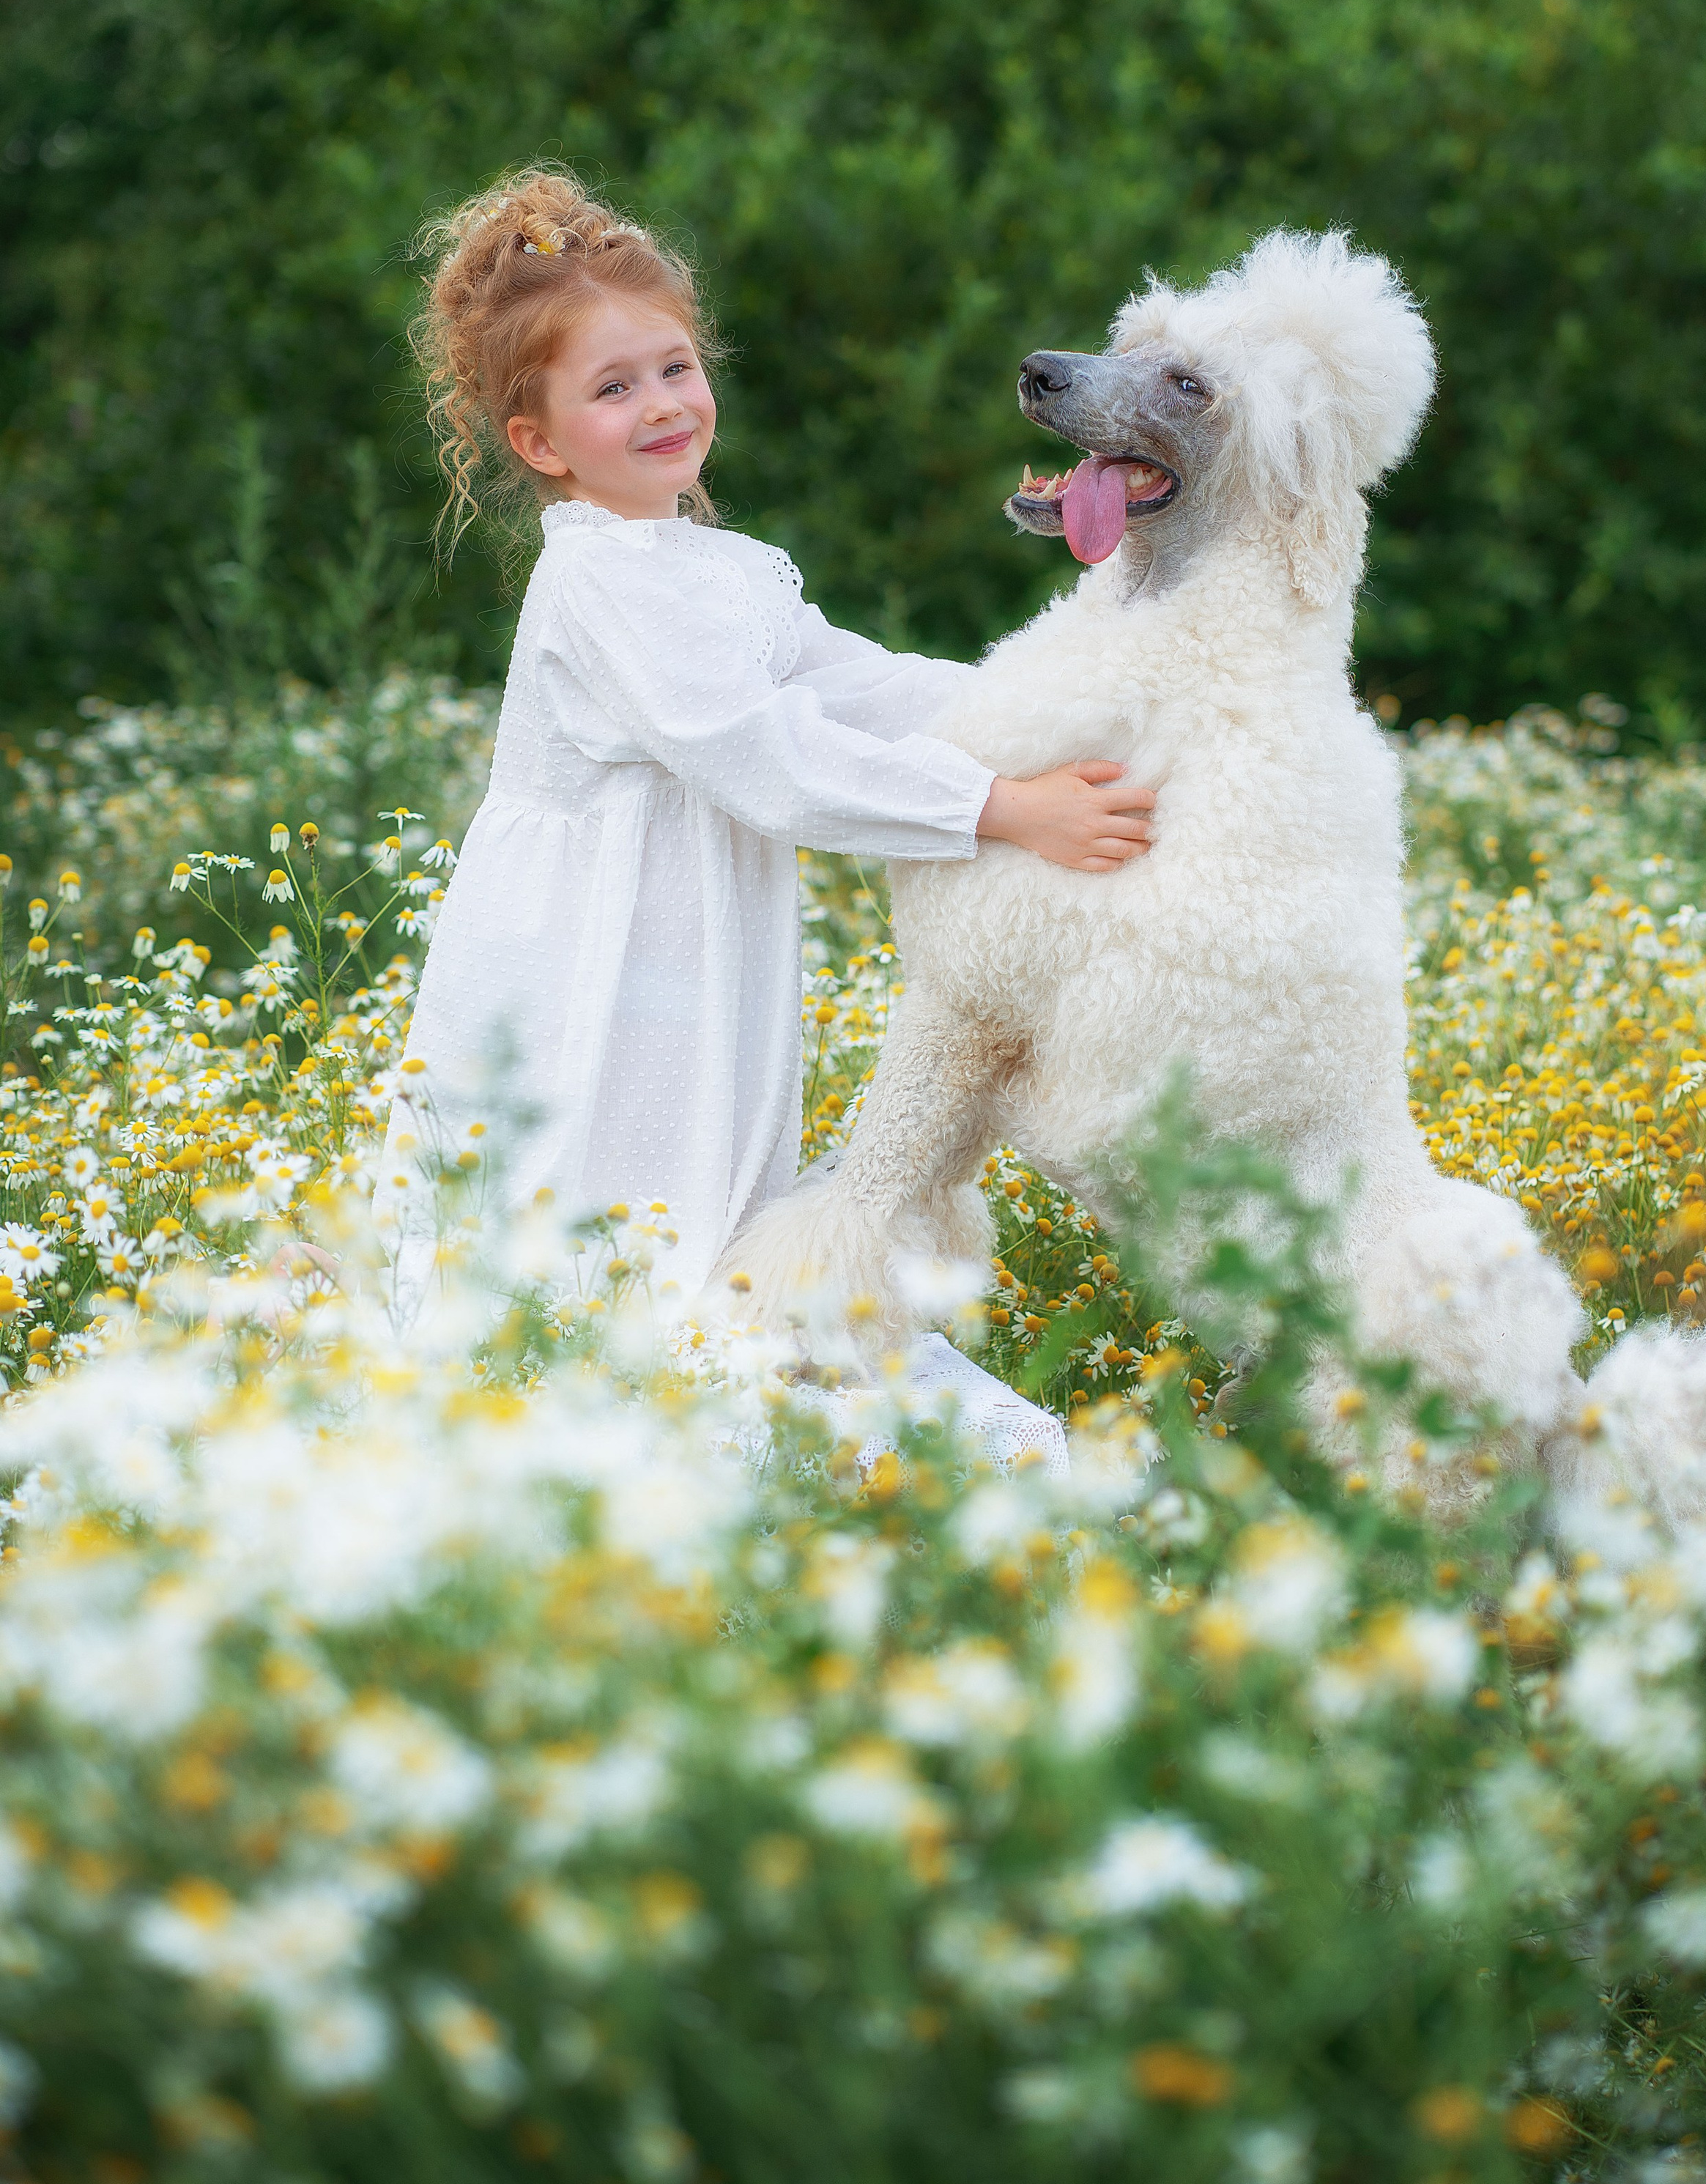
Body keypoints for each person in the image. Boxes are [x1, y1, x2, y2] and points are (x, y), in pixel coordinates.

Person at [377, 168, 1154, 1328]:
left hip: (689, 941)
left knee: (695, 1167)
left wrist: (1063, 709)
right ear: (538, 443)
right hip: (586, 947)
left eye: (675, 369)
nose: (662, 405)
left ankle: (675, 1325)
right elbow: (765, 751)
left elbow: (859, 686)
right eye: (613, 389)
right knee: (583, 1169)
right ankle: (551, 1349)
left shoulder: (718, 567)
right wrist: (1000, 805)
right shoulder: (598, 577)